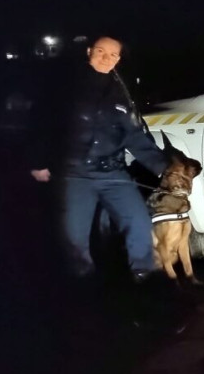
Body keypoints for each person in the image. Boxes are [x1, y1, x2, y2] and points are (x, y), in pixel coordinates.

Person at [29, 36, 168, 284]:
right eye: (101, 52)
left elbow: (135, 136)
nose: (106, 58)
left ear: (119, 59)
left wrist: (163, 168)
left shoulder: (121, 92)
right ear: (89, 51)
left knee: (138, 222)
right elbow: (42, 125)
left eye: (113, 55)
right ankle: (82, 282)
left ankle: (145, 277)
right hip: (75, 173)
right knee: (73, 235)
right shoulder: (65, 87)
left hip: (114, 173)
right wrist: (38, 162)